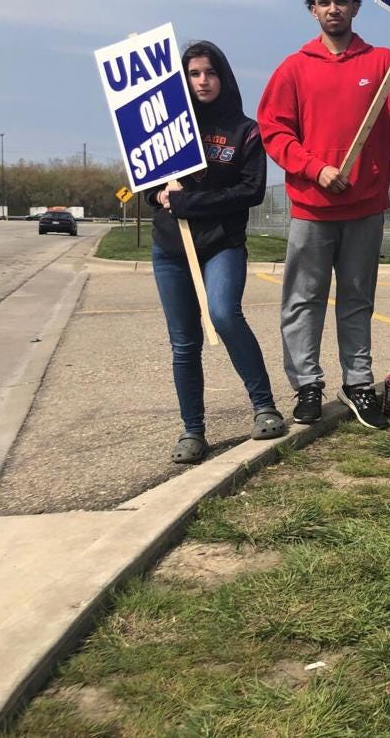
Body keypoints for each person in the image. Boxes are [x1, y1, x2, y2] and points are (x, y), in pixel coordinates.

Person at [258, 0, 390, 429]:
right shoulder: (294, 68)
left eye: (341, 0)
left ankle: (358, 383)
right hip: (313, 209)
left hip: (365, 208)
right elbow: (274, 132)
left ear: (355, 6)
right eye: (324, 1)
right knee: (303, 300)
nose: (333, 8)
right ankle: (307, 385)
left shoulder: (382, 62)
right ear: (312, 10)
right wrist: (316, 169)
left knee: (357, 299)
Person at [147, 41, 286, 464]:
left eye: (210, 72)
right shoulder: (168, 128)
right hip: (171, 249)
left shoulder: (245, 131)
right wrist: (158, 195)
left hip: (222, 244)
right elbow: (147, 187)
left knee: (225, 315)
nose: (203, 81)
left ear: (222, 76)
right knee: (183, 343)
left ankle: (264, 407)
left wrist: (190, 202)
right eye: (193, 74)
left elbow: (251, 191)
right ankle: (192, 431)